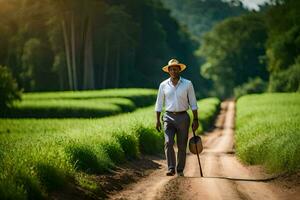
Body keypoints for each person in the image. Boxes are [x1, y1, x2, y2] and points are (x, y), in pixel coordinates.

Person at [155, 58, 199, 177]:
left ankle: (180, 170)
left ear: (179, 70)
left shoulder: (188, 84)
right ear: (168, 71)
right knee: (168, 142)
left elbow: (193, 103)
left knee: (182, 146)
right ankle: (170, 168)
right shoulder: (163, 85)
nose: (173, 71)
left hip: (183, 117)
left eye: (175, 69)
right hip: (168, 117)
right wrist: (157, 120)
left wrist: (195, 119)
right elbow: (159, 104)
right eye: (171, 69)